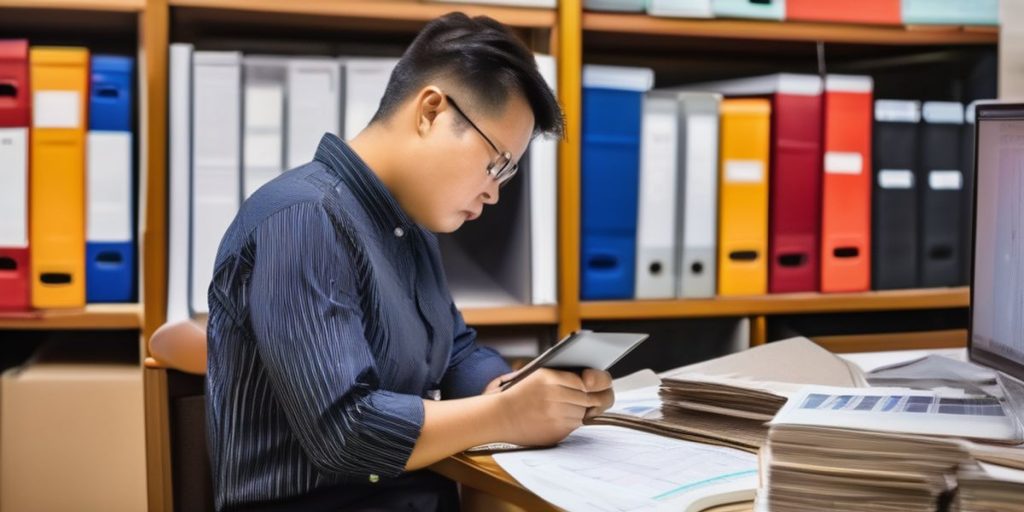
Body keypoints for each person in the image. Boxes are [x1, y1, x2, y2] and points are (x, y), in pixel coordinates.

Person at [205, 12, 615, 512]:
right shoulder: (303, 219)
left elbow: (455, 351)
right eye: (496, 165)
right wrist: (504, 415)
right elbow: (346, 432)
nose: (493, 194)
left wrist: (520, 388)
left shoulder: (407, 226)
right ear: (432, 111)